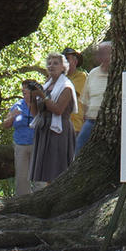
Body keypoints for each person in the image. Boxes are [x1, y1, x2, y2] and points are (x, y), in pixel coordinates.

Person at [29, 53, 78, 185]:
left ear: (63, 67)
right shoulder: (46, 85)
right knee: (47, 171)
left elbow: (58, 110)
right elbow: (35, 113)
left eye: (55, 63)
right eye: (49, 63)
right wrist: (33, 97)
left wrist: (43, 96)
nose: (51, 66)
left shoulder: (66, 86)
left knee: (57, 169)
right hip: (44, 128)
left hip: (59, 130)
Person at [77, 41, 112, 153]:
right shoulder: (93, 73)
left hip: (111, 123)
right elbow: (85, 100)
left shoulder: (118, 73)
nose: (102, 56)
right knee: (79, 149)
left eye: (106, 52)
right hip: (91, 121)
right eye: (100, 53)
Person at [12, 78, 43, 194]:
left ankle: (41, 201)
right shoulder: (17, 106)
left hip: (37, 144)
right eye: (23, 92)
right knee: (21, 177)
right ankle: (21, 202)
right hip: (20, 144)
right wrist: (11, 117)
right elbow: (6, 124)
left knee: (39, 178)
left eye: (27, 91)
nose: (25, 94)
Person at [64, 48, 89, 140]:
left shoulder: (81, 76)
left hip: (75, 126)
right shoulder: (58, 78)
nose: (64, 62)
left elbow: (70, 95)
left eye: (67, 59)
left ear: (75, 61)